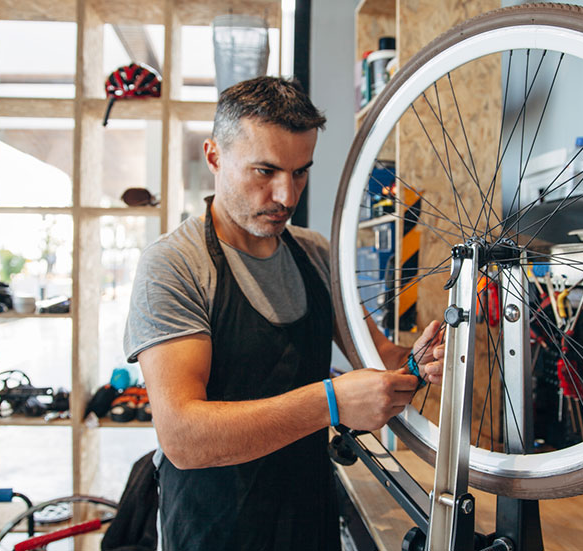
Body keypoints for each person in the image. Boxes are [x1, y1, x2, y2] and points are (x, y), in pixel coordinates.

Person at [123, 76, 443, 550]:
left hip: (308, 519)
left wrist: (422, 361)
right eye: (264, 172)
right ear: (214, 156)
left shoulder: (314, 253)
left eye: (300, 172)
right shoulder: (174, 265)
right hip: (214, 530)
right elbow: (183, 438)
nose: (286, 196)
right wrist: (330, 402)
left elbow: (379, 358)